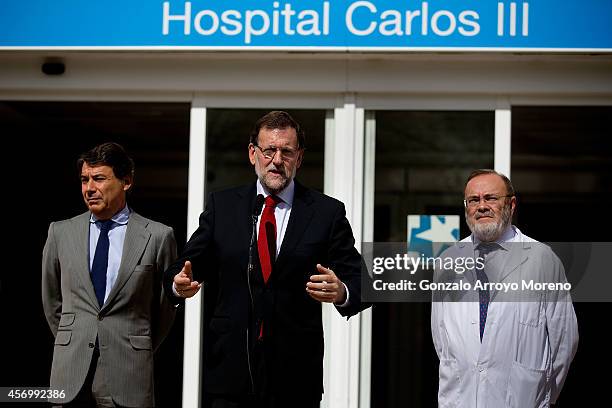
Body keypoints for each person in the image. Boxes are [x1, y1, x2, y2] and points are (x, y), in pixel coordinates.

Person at [164, 111, 368, 408]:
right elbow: (185, 266)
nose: (277, 160)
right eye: (269, 150)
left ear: (299, 158)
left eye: (286, 152)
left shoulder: (326, 213)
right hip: (231, 371)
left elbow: (360, 280)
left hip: (295, 375)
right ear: (252, 154)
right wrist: (177, 284)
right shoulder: (224, 206)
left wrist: (342, 291)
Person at [42, 142, 177, 407]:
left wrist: (133, 343)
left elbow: (164, 309)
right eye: (84, 180)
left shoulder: (159, 236)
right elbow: (51, 300)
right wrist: (76, 338)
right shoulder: (60, 233)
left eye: (99, 179)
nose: (89, 188)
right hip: (70, 372)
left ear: (126, 181)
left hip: (128, 373)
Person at [431, 169, 578, 408]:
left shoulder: (542, 259)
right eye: (473, 200)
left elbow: (564, 340)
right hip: (460, 399)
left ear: (511, 204)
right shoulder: (448, 260)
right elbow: (441, 338)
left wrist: (543, 396)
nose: (482, 206)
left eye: (490, 198)